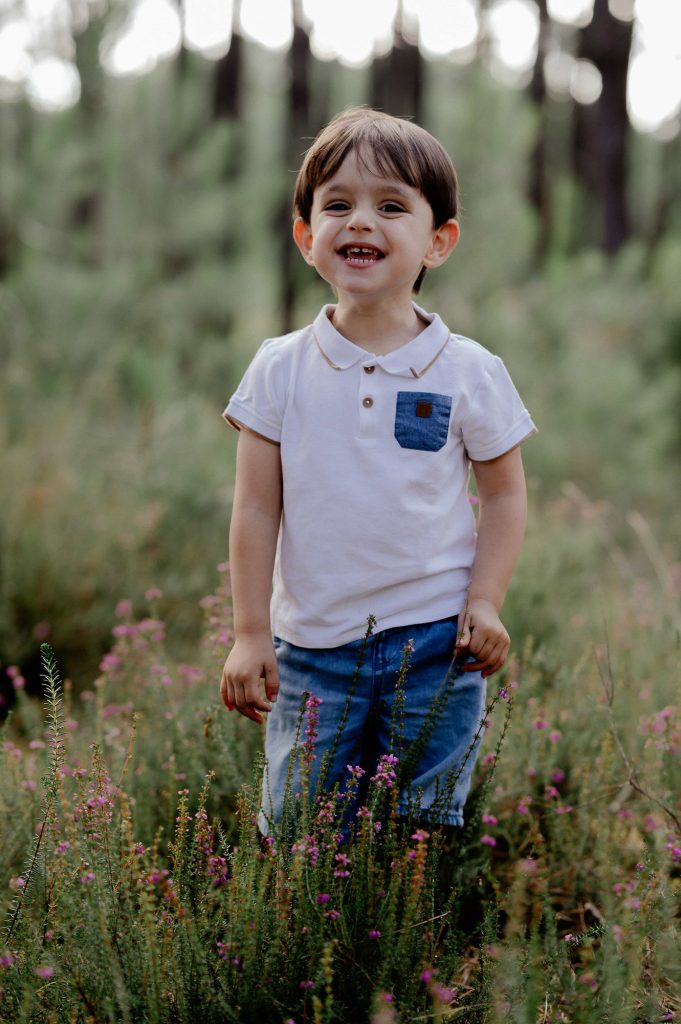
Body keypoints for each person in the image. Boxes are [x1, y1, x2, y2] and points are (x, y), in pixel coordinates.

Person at [219, 108, 536, 833]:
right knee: (299, 824)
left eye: (390, 206)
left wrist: (484, 602)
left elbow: (505, 495)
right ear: (306, 238)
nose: (361, 222)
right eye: (337, 205)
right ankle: (307, 943)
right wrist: (248, 633)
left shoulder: (469, 371)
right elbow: (254, 509)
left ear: (438, 241)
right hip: (312, 649)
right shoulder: (279, 368)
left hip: (435, 643)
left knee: (420, 823)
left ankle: (407, 942)